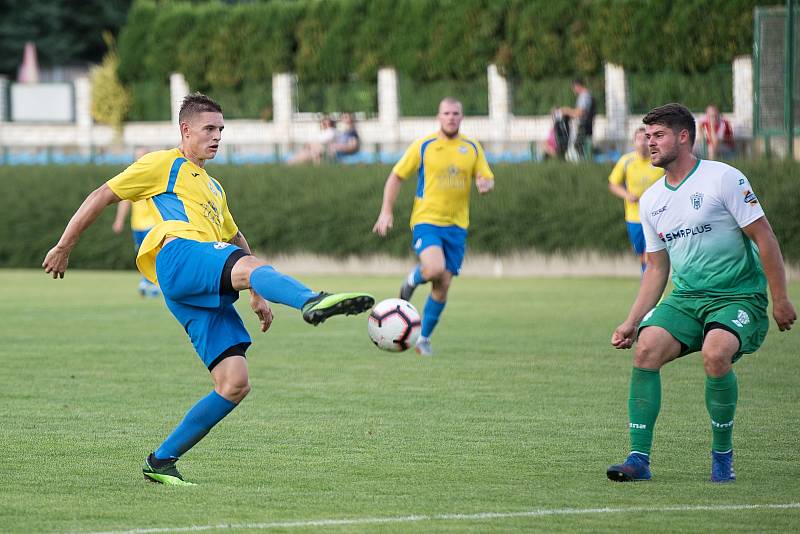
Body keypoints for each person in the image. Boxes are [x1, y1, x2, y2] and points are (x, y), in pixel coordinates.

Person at [43, 93, 375, 486]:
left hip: (195, 282)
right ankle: (311, 301)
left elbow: (235, 237)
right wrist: (64, 246)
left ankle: (161, 460)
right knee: (250, 270)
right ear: (186, 130)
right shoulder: (163, 163)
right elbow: (102, 195)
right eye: (209, 129)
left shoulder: (215, 188)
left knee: (234, 383)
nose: (217, 136)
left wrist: (257, 292)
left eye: (221, 130)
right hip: (179, 255)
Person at [608, 103, 796, 483]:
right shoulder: (651, 200)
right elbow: (657, 269)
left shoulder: (723, 178)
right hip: (687, 298)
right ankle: (638, 460)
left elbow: (765, 237)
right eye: (647, 136)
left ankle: (722, 457)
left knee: (715, 353)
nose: (650, 143)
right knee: (645, 349)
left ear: (684, 137)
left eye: (658, 135)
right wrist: (631, 321)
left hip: (738, 297)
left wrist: (780, 298)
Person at [372, 97, 494, 356]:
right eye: (446, 113)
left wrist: (485, 184)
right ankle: (412, 279)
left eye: (456, 113)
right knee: (434, 268)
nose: (451, 117)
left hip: (457, 226)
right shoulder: (424, 145)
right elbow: (396, 176)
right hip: (427, 220)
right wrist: (386, 211)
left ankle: (423, 339)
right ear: (439, 117)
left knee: (443, 283)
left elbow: (486, 176)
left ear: (462, 117)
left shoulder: (472, 147)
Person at [607, 126, 664, 271]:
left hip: (656, 217)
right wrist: (627, 195)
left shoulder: (659, 161)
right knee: (642, 256)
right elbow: (613, 184)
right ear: (634, 142)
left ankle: (653, 289)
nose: (643, 142)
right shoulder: (626, 161)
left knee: (651, 255)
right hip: (634, 217)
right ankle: (647, 284)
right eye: (640, 139)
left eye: (646, 138)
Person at [560, 78, 596, 160]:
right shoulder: (587, 95)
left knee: (575, 148)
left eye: (573, 88)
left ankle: (575, 159)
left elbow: (580, 112)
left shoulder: (584, 96)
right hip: (585, 125)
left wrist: (566, 110)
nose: (573, 91)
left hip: (581, 126)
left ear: (577, 86)